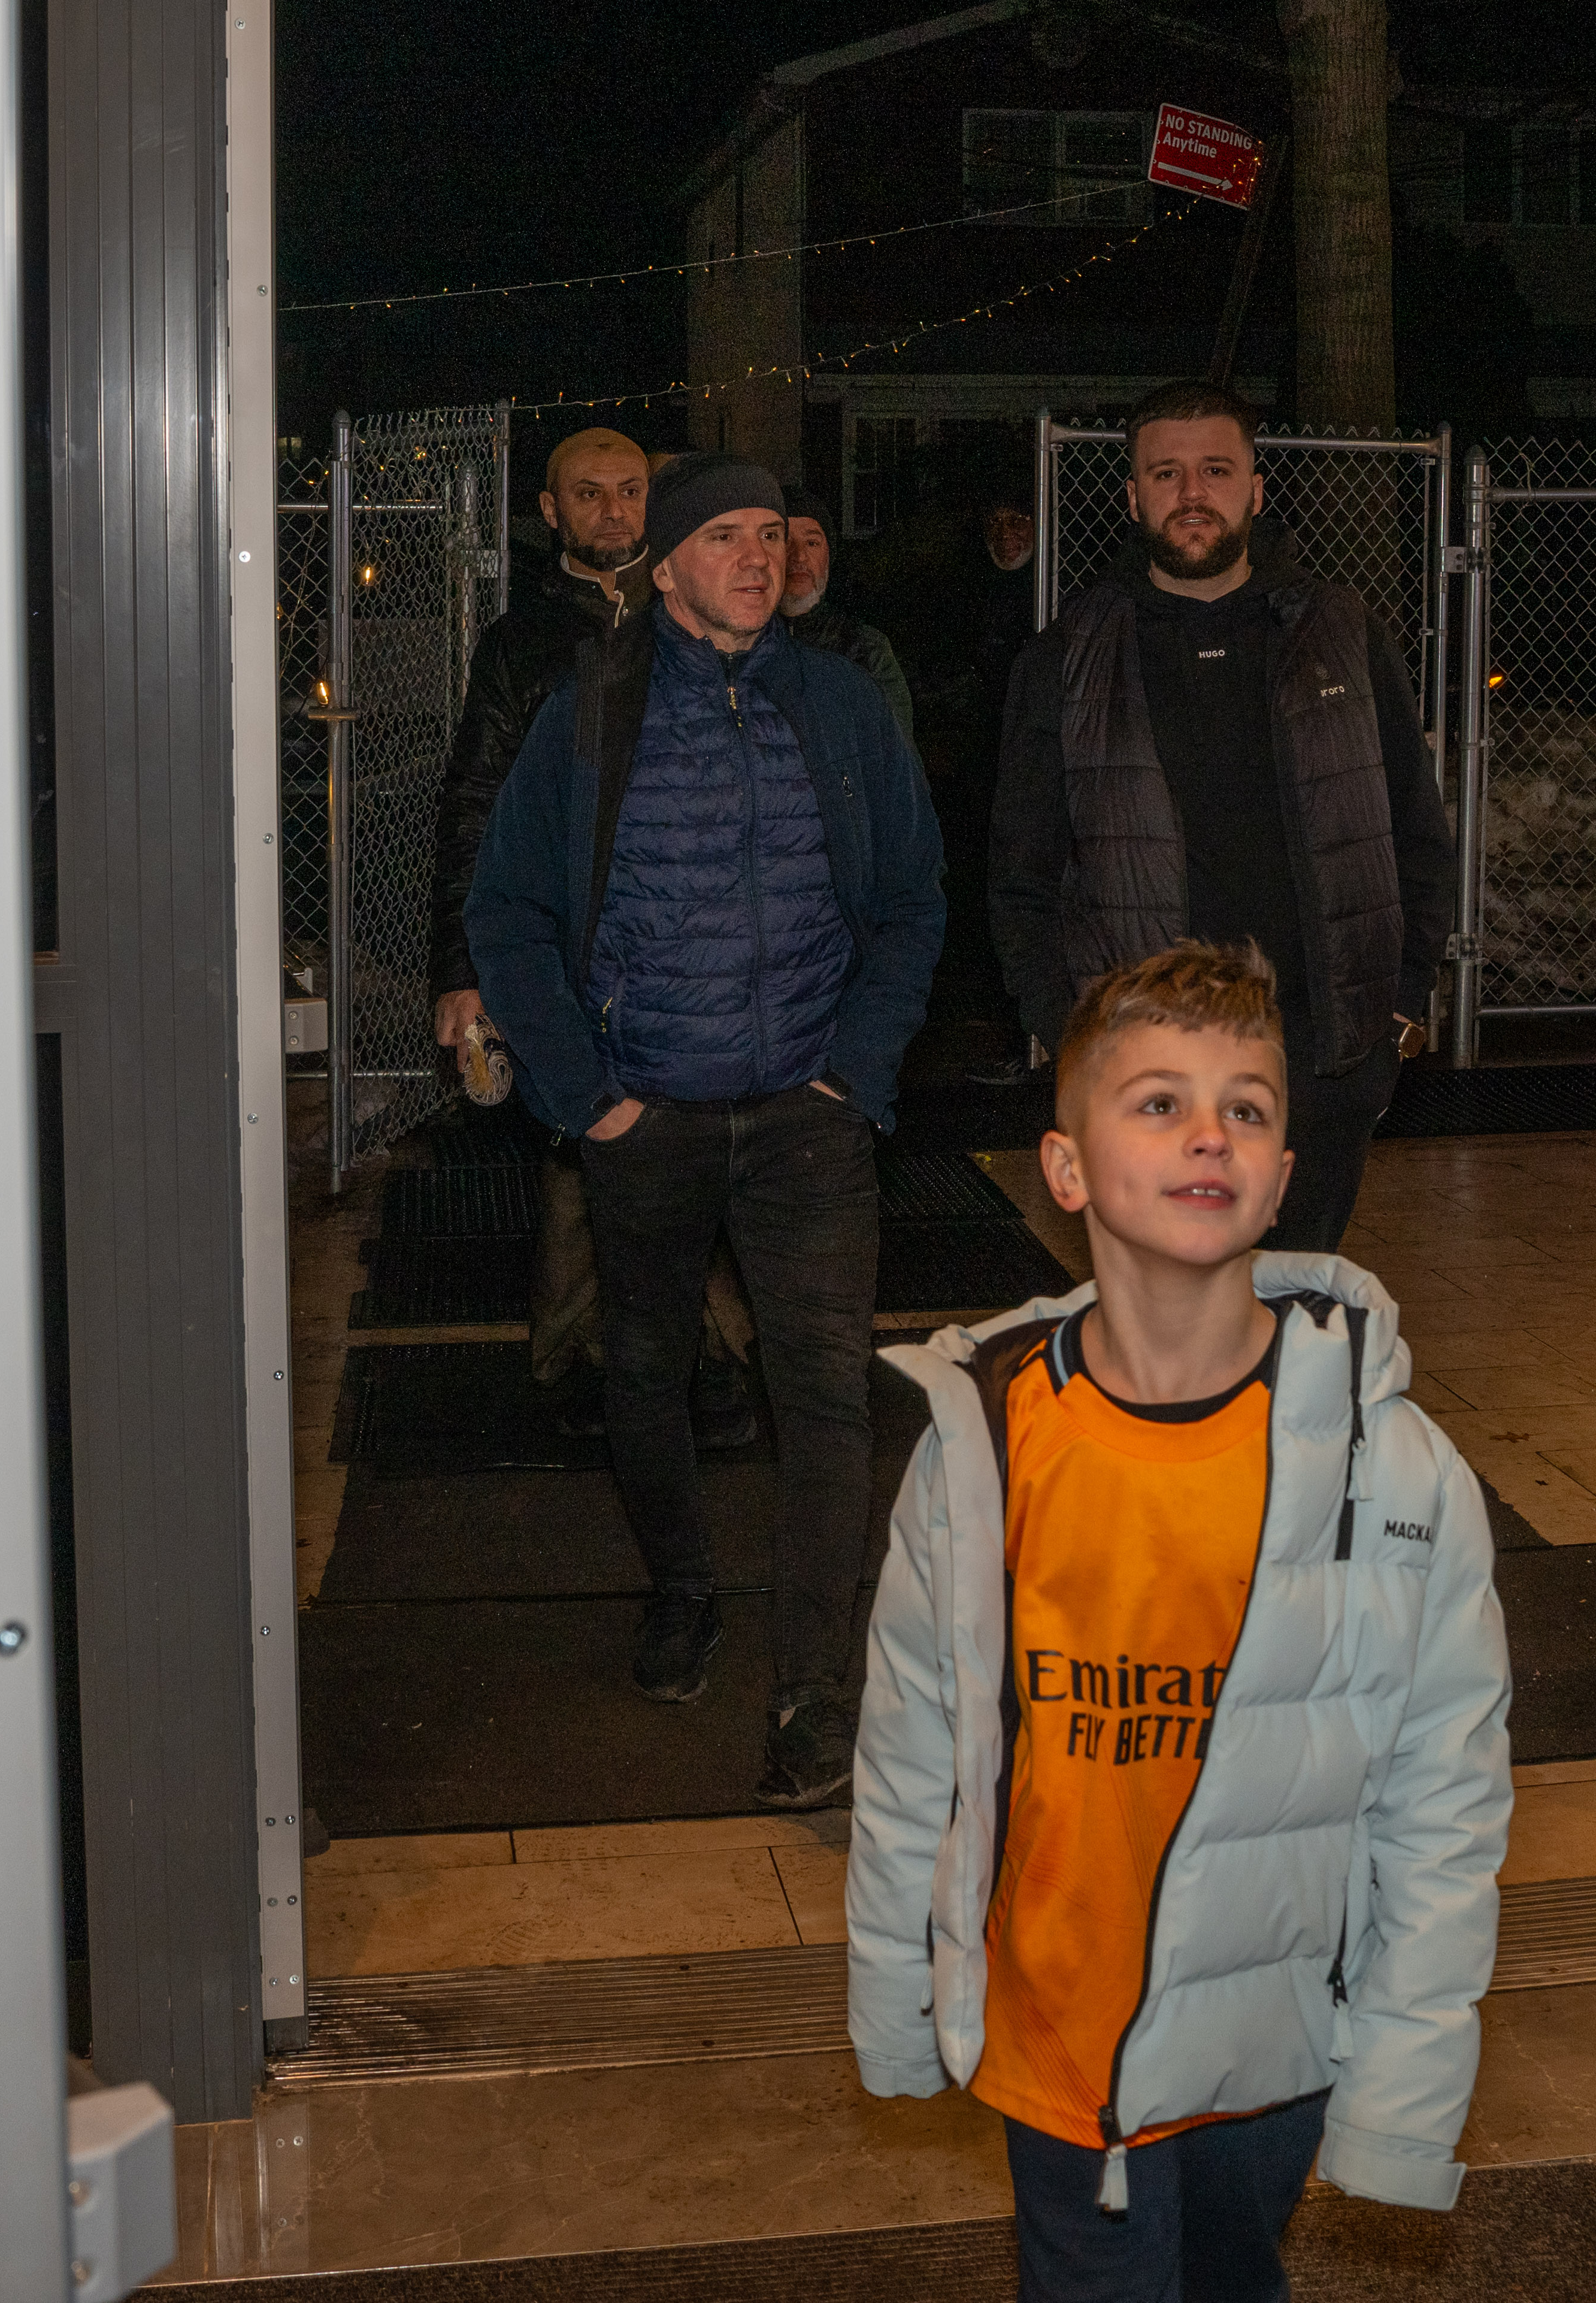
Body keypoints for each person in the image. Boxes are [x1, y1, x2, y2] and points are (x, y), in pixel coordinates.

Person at [847, 938, 1512, 2300]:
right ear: (1067, 1166)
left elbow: (1441, 1806)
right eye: (1156, 1100)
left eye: (1246, 1108)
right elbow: (911, 1749)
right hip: (1054, 2045)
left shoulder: (1389, 1474)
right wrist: (896, 2002)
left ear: (1278, 1172)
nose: (1207, 1133)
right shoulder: (981, 1444)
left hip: (1271, 2043)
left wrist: (1396, 2091)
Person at [466, 452, 946, 1808]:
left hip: (807, 1117)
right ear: (663, 566)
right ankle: (680, 1587)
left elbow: (912, 896)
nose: (758, 555)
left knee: (824, 1391)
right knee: (642, 1366)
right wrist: (586, 1096)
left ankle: (816, 1689)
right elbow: (504, 909)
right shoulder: (591, 712)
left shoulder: (841, 707)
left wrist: (853, 1070)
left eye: (770, 531)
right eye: (723, 536)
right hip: (649, 1113)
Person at [988, 379, 1454, 1251]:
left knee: (1294, 1327)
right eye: (1165, 475)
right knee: (1172, 1337)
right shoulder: (1067, 657)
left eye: (1214, 470)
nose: (1190, 494)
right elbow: (1021, 878)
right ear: (1131, 497)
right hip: (1145, 1070)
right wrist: (1070, 1038)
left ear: (1255, 487)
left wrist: (1395, 1016)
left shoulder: (1341, 632)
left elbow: (1416, 834)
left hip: (1320, 1061)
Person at [428, 425, 752, 1439]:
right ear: (550, 512)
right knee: (582, 1149)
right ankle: (575, 1364)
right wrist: (461, 969)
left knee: (700, 1145)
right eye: (590, 494)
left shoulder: (701, 615)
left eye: (629, 490)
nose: (615, 511)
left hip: (690, 936)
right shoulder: (521, 645)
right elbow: (474, 801)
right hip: (567, 941)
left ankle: (714, 1359)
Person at [780, 485, 914, 743]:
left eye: (812, 542)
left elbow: (899, 759)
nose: (799, 556)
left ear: (829, 556)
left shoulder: (866, 649)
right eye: (785, 541)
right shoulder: (740, 647)